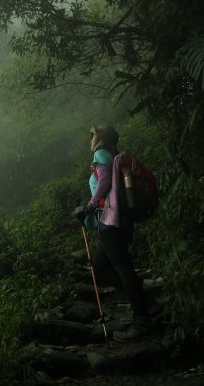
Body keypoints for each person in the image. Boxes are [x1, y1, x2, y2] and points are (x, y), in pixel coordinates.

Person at [79, 125, 156, 343]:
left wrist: (89, 206)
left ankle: (143, 319)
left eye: (92, 135)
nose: (90, 139)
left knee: (123, 268)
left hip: (111, 220)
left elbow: (104, 182)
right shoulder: (112, 155)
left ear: (101, 138)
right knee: (100, 268)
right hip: (119, 220)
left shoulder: (101, 154)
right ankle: (144, 301)